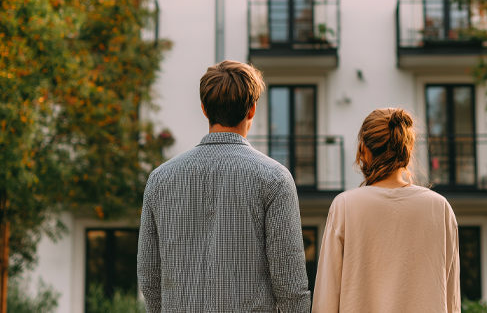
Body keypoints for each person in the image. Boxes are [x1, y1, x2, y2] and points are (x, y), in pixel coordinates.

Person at [137, 60, 311, 313]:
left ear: (204, 109)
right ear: (251, 110)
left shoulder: (160, 179)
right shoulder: (275, 179)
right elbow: (291, 287)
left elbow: (150, 277)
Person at [311, 108, 461, 313]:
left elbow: (327, 298)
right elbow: (451, 298)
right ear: (407, 149)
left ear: (363, 149)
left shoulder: (345, 206)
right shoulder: (440, 208)